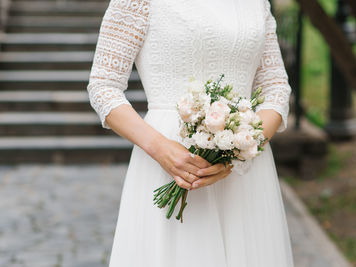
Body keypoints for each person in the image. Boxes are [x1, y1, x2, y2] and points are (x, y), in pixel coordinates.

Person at [87, 0, 294, 266]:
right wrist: (161, 148)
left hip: (245, 169)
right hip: (170, 161)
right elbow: (104, 86)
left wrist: (238, 148)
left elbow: (276, 88)